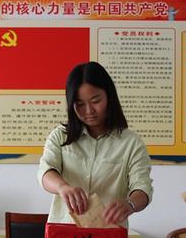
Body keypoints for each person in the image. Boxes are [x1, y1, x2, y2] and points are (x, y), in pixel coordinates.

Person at [37, 61, 153, 226]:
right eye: (80, 104)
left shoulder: (131, 143)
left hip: (108, 231)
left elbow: (143, 187)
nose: (89, 110)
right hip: (65, 229)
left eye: (95, 101)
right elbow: (45, 171)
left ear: (109, 97)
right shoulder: (60, 136)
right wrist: (62, 187)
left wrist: (130, 204)